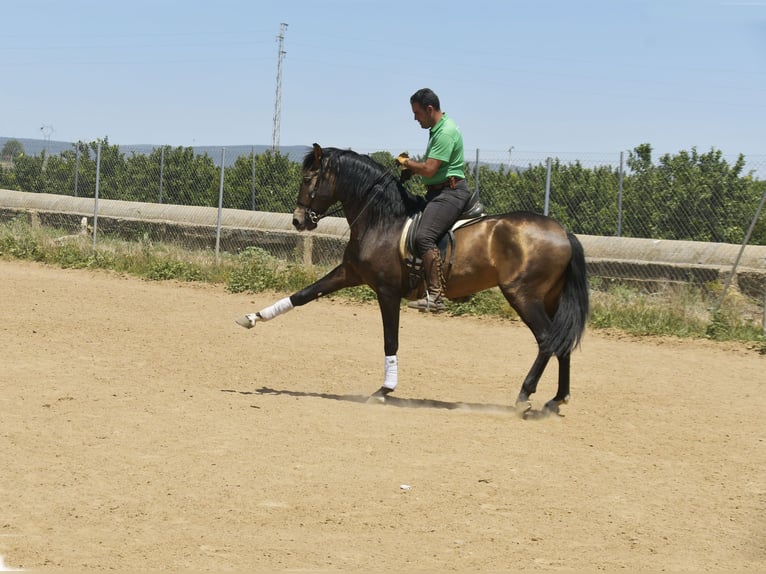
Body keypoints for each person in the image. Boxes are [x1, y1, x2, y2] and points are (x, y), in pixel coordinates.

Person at [396, 88, 472, 312]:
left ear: (429, 110)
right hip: (439, 191)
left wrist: (407, 163)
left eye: (417, 113)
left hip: (450, 193)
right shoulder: (438, 128)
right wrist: (411, 171)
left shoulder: (445, 132)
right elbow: (435, 169)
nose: (415, 118)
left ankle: (436, 296)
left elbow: (429, 169)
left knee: (424, 237)